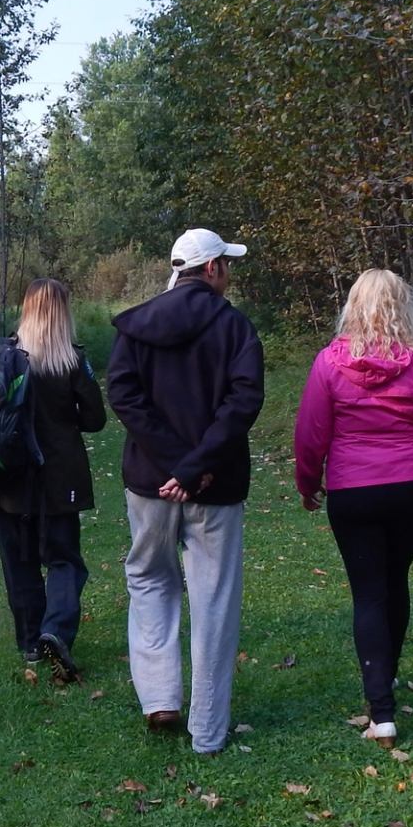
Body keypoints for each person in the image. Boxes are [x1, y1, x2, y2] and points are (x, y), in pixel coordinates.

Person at [106, 228, 265, 754]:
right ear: (213, 268)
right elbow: (242, 404)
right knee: (213, 597)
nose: (229, 274)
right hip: (214, 486)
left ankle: (159, 698)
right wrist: (195, 465)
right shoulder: (236, 327)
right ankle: (208, 730)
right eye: (228, 264)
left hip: (151, 483)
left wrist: (176, 464)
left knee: (150, 578)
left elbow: (124, 396)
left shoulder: (137, 326)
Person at [292, 269, 413, 749]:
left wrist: (308, 484)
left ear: (353, 306)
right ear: (401, 309)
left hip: (354, 490)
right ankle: (384, 683)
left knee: (369, 593)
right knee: (394, 583)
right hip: (409, 488)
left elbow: (311, 433)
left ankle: (380, 712)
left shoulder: (329, 363)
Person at [0, 278, 106, 682]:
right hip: (58, 478)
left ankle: (29, 643)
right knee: (64, 560)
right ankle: (55, 630)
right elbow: (95, 419)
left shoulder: (1, 354)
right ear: (63, 312)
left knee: (18, 562)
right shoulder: (72, 361)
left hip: (7, 479)